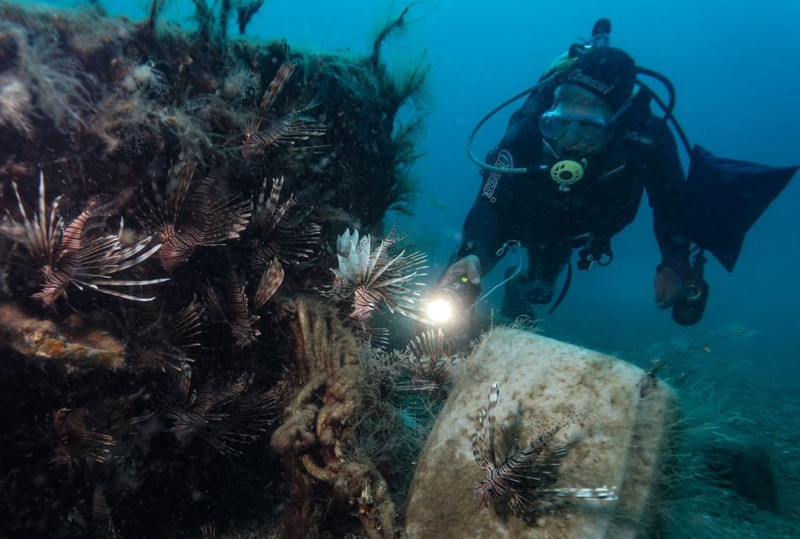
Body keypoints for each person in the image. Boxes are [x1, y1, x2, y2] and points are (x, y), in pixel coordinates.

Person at [440, 25, 708, 325]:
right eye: (558, 125)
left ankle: (519, 288)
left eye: (589, 129)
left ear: (616, 124)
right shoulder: (528, 126)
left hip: (578, 226)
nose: (569, 140)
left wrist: (674, 260)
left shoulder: (646, 137)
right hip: (518, 212)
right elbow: (489, 199)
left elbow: (671, 203)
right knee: (461, 278)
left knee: (540, 288)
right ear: (551, 111)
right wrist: (471, 249)